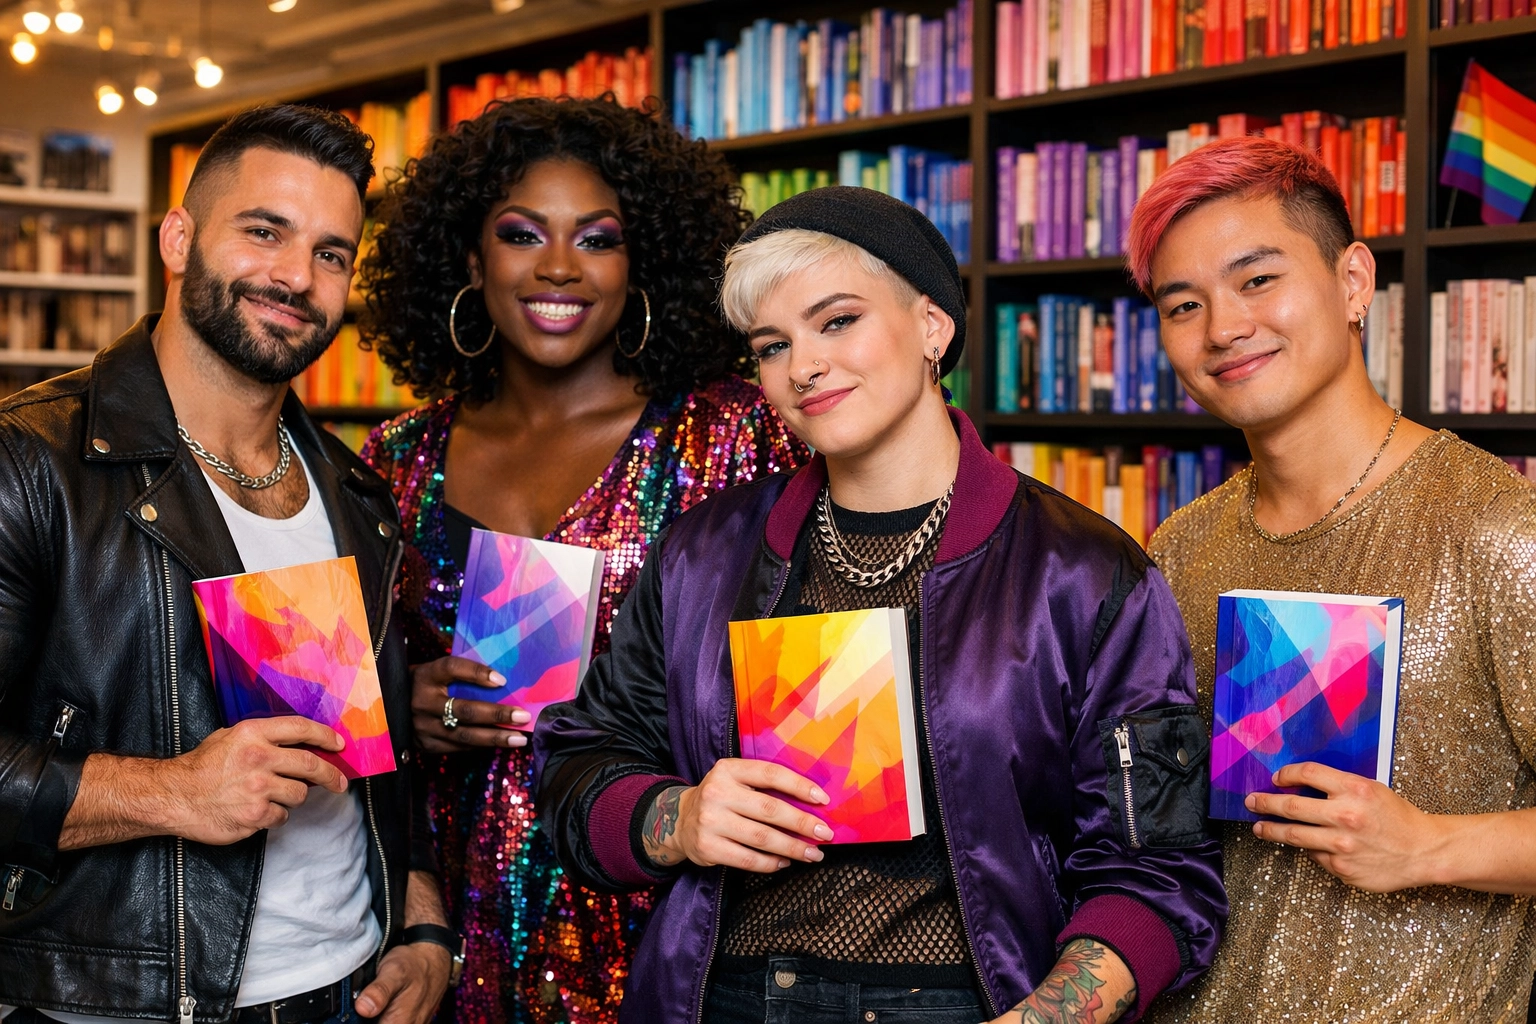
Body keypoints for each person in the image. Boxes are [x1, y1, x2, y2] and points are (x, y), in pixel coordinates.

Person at [533, 186, 1227, 1024]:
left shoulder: (1082, 571)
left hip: (967, 1006)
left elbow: (1160, 869)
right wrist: (674, 818)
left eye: (837, 321)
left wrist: (1049, 1018)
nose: (804, 366)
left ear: (933, 327)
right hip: (725, 1000)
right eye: (771, 344)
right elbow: (575, 765)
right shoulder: (702, 555)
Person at [0, 105, 455, 1024]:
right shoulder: (30, 463)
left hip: (353, 986)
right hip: (123, 1000)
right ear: (178, 237)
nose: (297, 276)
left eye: (332, 253)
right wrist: (173, 793)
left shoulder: (357, 495)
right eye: (264, 231)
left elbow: (375, 766)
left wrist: (421, 925)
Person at [357, 97, 807, 1024]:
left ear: (639, 266)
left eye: (596, 239)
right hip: (445, 917)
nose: (558, 266)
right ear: (470, 259)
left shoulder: (736, 434)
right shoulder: (394, 460)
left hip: (673, 906)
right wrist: (406, 702)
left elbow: (815, 665)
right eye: (523, 234)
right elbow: (341, 700)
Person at [1128, 136, 1536, 1023]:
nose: (1223, 328)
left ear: (1353, 282)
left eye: (1258, 279)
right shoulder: (1179, 547)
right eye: (1182, 304)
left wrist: (1430, 846)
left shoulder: (1495, 528)